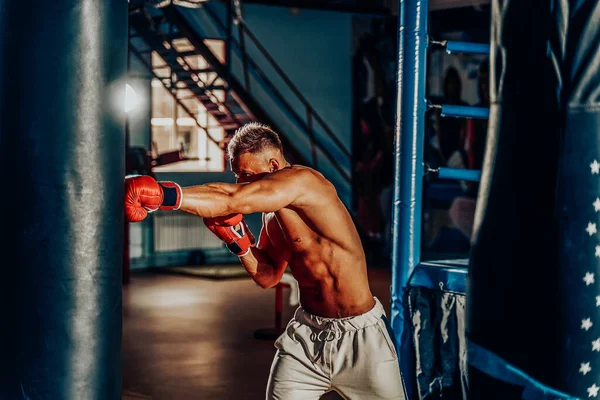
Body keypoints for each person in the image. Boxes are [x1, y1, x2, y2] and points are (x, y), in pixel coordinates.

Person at [124, 122, 407, 400]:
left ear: (273, 167)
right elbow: (268, 275)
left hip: (362, 339)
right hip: (307, 337)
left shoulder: (306, 183)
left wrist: (161, 194)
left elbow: (232, 198)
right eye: (237, 175)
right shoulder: (272, 217)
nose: (241, 183)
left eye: (246, 175)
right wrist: (239, 242)